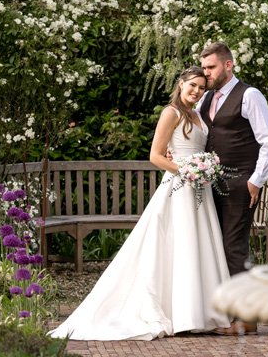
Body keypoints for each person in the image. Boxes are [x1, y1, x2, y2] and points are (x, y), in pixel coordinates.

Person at [48, 66, 231, 341]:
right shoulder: (171, 113)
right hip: (180, 186)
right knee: (179, 244)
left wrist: (203, 167)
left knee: (198, 245)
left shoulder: (197, 114)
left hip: (199, 188)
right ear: (180, 83)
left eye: (201, 88)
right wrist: (185, 170)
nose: (196, 91)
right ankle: (181, 314)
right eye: (192, 85)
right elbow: (155, 156)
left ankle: (198, 312)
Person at [197, 42, 268, 335]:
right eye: (204, 68)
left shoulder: (250, 95)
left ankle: (247, 318)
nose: (206, 73)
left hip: (240, 182)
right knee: (214, 244)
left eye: (211, 67)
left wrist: (255, 179)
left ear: (228, 65)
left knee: (234, 246)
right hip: (211, 183)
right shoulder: (205, 98)